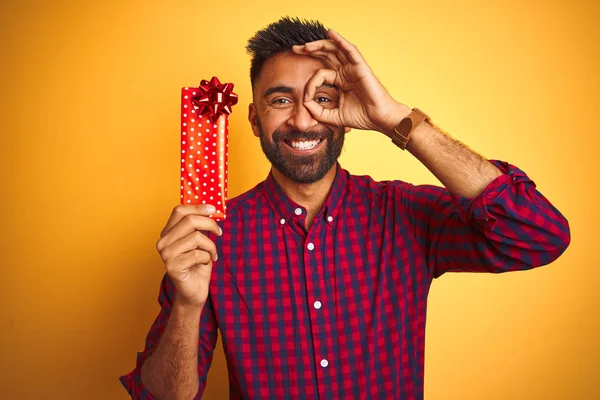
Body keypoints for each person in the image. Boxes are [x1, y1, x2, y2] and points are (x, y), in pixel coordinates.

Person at [120, 17, 570, 400]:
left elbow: (540, 235)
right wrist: (187, 304)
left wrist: (394, 118)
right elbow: (163, 395)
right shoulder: (211, 236)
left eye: (322, 99)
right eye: (280, 100)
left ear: (349, 111)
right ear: (255, 120)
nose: (301, 119)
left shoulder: (404, 213)